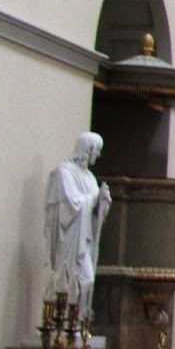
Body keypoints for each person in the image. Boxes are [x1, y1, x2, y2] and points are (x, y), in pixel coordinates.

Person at [44, 132, 112, 319]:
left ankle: (78, 320)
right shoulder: (64, 172)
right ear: (87, 149)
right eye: (97, 150)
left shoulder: (90, 177)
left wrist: (102, 202)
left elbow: (95, 210)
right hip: (70, 237)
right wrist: (94, 198)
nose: (98, 155)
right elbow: (71, 204)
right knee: (73, 280)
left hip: (85, 237)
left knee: (87, 280)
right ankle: (64, 320)